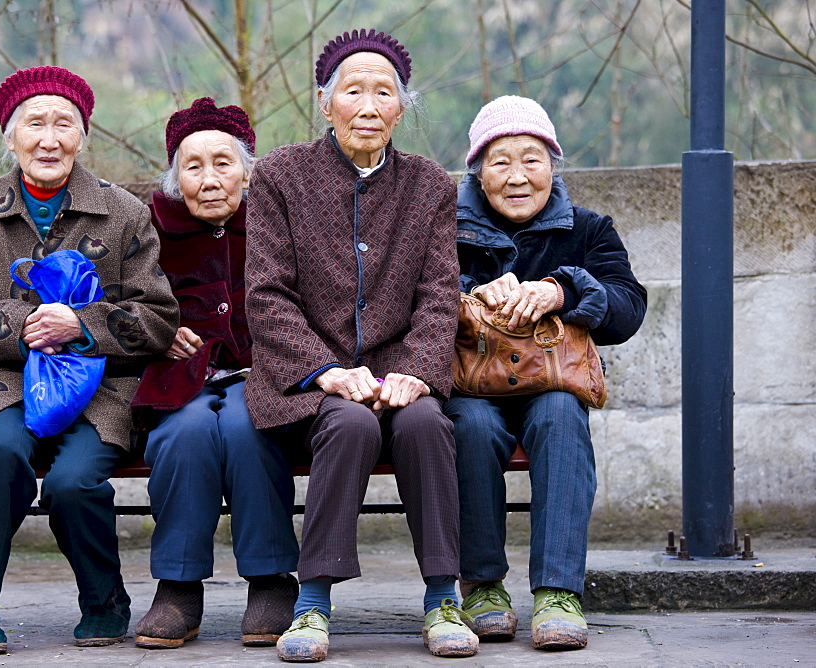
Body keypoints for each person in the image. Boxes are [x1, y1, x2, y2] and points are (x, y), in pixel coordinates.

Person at [244, 29, 478, 662]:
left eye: (385, 92)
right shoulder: (278, 177)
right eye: (354, 91)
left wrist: (417, 373)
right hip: (306, 383)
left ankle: (443, 597)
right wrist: (324, 369)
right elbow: (266, 295)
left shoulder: (429, 185)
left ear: (402, 108)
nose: (369, 105)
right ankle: (313, 602)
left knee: (427, 421)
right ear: (326, 104)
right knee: (348, 424)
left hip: (399, 372)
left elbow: (438, 294)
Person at [0, 66, 180, 655]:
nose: (49, 138)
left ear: (83, 136)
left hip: (101, 390)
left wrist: (81, 324)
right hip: (10, 383)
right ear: (9, 138)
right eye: (34, 124)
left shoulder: (122, 213)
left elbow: (158, 317)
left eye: (64, 124)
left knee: (72, 482)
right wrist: (25, 326)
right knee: (0, 456)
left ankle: (103, 600)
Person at [443, 95, 647, 651]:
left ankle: (559, 592)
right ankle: (482, 586)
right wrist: (471, 297)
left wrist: (564, 289)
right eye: (500, 161)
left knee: (560, 414)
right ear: (477, 170)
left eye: (531, 159)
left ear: (553, 165)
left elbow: (628, 308)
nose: (516, 176)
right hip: (471, 386)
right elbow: (414, 302)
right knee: (473, 426)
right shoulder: (444, 228)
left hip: (552, 383)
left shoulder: (589, 230)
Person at [129, 97, 300, 649]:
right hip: (180, 381)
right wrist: (158, 331)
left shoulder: (278, 224)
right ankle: (178, 585)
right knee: (187, 431)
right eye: (192, 165)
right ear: (175, 177)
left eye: (223, 163)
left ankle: (271, 578)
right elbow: (121, 305)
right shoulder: (147, 231)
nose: (208, 179)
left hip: (266, 377)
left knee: (249, 429)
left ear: (248, 171)